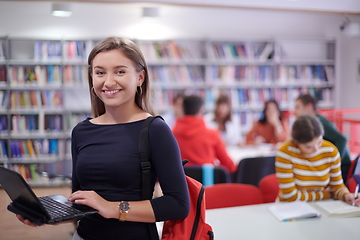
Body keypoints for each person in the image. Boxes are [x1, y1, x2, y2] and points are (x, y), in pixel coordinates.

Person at [16, 37, 190, 240]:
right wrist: (49, 215)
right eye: (100, 73)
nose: (108, 82)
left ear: (140, 77)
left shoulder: (155, 129)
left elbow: (178, 204)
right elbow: (81, 201)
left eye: (120, 71)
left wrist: (112, 208)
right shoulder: (81, 131)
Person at [276, 115, 358, 204]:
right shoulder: (285, 152)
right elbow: (290, 196)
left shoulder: (330, 151)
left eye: (319, 142)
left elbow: (337, 186)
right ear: (296, 142)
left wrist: (345, 195)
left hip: (318, 206)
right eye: (308, 147)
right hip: (289, 207)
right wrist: (324, 195)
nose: (316, 149)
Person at [172, 94, 237, 173]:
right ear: (200, 111)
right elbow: (230, 166)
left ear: (182, 110)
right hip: (208, 183)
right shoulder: (212, 134)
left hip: (183, 183)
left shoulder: (171, 135)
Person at [294, 94, 351, 181]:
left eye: (298, 107)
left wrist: (335, 163)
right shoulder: (310, 123)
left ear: (309, 107)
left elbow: (341, 139)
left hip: (340, 169)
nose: (295, 111)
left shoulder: (319, 122)